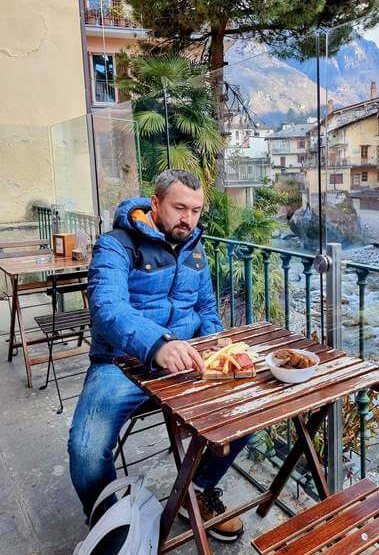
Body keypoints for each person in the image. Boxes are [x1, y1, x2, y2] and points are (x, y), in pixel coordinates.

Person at [68, 169, 248, 542]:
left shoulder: (194, 245)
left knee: (251, 404)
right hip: (122, 362)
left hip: (188, 359)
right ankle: (112, 523)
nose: (189, 219)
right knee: (85, 448)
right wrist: (158, 345)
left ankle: (196, 491)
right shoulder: (116, 244)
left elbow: (206, 306)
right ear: (155, 203)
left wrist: (216, 344)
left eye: (196, 211)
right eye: (179, 208)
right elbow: (106, 308)